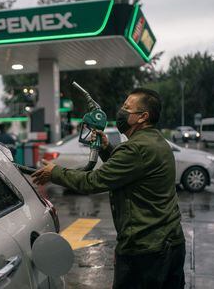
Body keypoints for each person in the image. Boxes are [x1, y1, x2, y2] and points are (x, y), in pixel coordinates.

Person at [32, 88, 186, 289]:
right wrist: (105, 147)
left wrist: (54, 173)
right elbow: (127, 171)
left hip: (146, 251)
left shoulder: (136, 148)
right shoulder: (156, 142)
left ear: (143, 117)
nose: (121, 111)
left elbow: (94, 181)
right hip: (170, 244)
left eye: (127, 108)